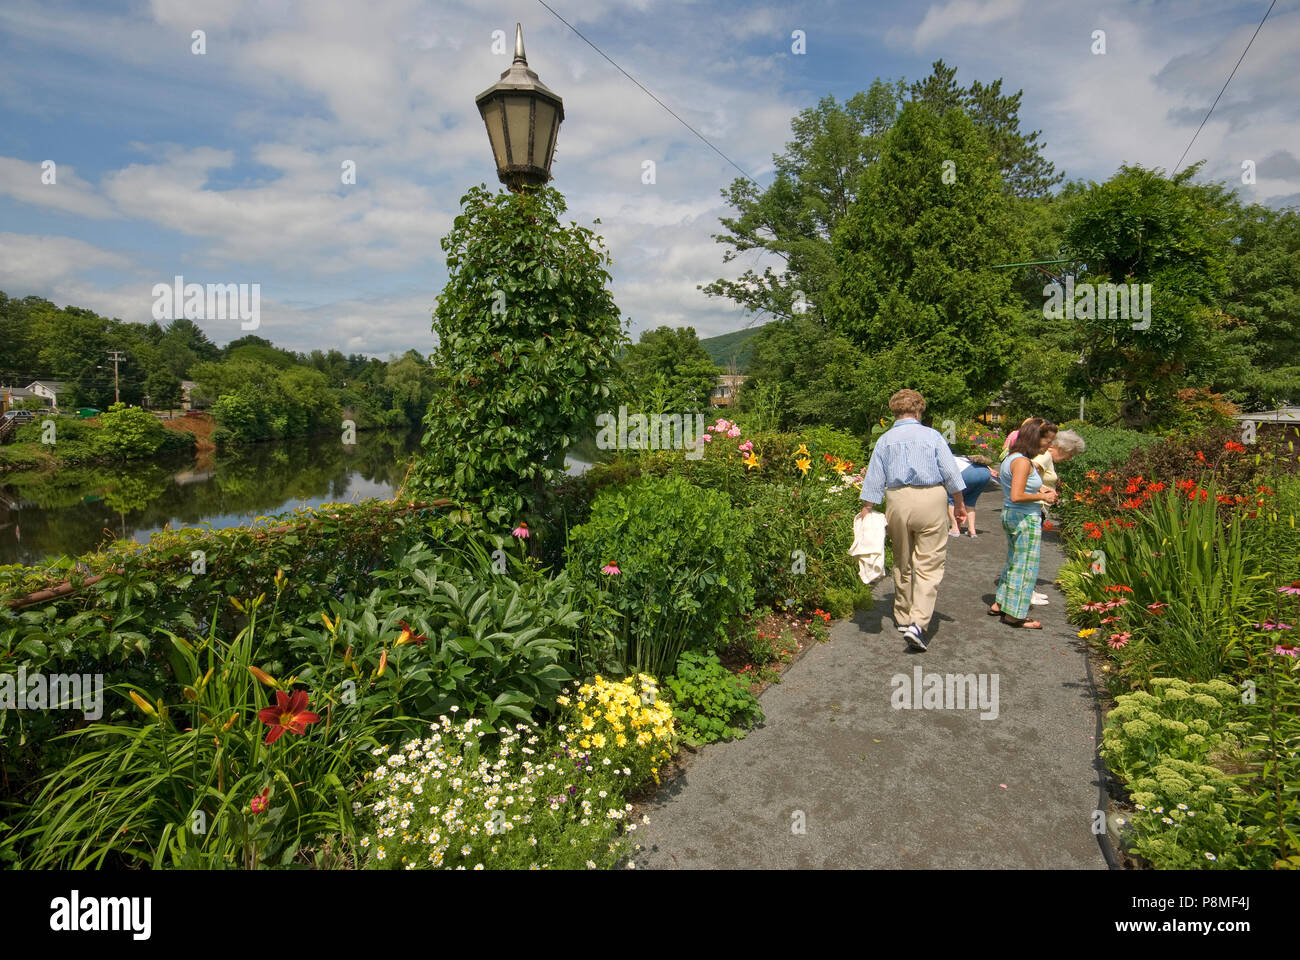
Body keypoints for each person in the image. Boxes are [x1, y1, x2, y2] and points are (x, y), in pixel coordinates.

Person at [857, 389, 967, 652]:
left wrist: (867, 507)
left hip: (897, 500)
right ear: (919, 411)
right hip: (931, 499)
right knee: (929, 563)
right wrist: (960, 505)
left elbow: (874, 477)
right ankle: (919, 623)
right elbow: (951, 473)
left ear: (894, 411)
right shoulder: (933, 436)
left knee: (902, 558)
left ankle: (903, 617)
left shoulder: (885, 440)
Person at [988, 418, 1057, 628]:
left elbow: (1017, 489)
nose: (1049, 446)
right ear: (1036, 438)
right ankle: (1015, 615)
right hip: (1024, 517)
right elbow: (1017, 495)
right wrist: (1042, 497)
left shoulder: (1013, 457)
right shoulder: (1022, 462)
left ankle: (1001, 603)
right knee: (1025, 565)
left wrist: (1039, 490)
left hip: (1014, 515)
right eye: (1048, 441)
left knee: (1013, 561)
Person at [947, 454, 993, 537]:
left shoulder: (946, 459)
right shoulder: (959, 458)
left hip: (968, 473)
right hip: (985, 473)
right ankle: (972, 530)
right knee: (970, 501)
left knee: (952, 499)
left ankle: (955, 528)